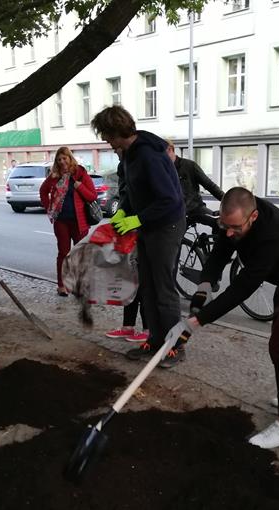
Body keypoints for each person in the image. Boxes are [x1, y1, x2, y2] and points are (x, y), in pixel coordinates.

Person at [165, 187, 279, 447]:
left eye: (235, 227)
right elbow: (219, 252)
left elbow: (242, 288)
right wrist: (204, 285)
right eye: (224, 225)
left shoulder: (271, 233)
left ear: (253, 217)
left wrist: (193, 322)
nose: (229, 232)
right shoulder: (231, 222)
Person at [91, 105, 185, 368]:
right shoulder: (130, 155)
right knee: (147, 286)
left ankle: (174, 347)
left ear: (117, 131)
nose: (106, 141)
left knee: (163, 288)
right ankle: (155, 341)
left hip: (166, 226)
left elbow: (169, 199)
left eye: (106, 135)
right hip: (149, 225)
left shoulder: (148, 155)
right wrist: (123, 211)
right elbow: (133, 191)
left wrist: (138, 219)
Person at [39, 146, 98, 296]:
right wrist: (48, 207)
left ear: (70, 158)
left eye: (64, 158)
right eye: (59, 159)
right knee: (63, 254)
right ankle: (62, 285)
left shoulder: (80, 173)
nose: (62, 162)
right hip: (61, 222)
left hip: (79, 222)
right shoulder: (54, 176)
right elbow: (43, 191)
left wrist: (80, 187)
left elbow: (92, 196)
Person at [105, 152, 148, 343]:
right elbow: (125, 193)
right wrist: (122, 210)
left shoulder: (147, 163)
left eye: (116, 146)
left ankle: (149, 328)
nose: (115, 150)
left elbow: (163, 201)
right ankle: (128, 326)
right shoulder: (124, 165)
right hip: (129, 229)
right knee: (130, 278)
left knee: (145, 282)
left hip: (148, 230)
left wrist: (140, 219)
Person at [166, 141, 223, 230]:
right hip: (174, 213)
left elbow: (209, 185)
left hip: (195, 208)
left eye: (160, 153)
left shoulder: (189, 166)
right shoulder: (161, 170)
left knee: (218, 224)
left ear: (170, 150)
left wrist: (228, 201)